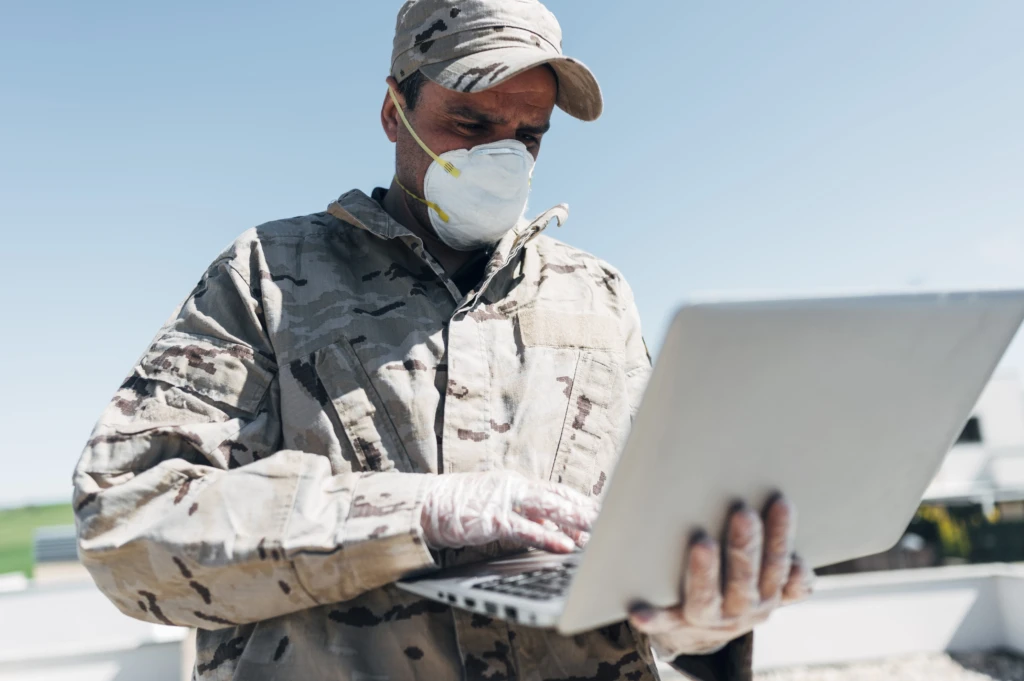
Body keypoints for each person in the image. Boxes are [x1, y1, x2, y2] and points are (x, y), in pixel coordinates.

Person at [72, 1, 814, 679]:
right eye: (470, 124)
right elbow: (127, 525)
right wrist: (417, 513)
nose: (504, 158)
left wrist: (702, 621)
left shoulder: (599, 296)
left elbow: (647, 539)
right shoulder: (268, 276)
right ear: (393, 110)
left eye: (529, 135)